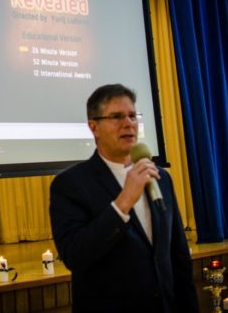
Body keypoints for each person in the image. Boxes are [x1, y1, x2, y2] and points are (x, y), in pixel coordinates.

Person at [50, 83, 199, 313]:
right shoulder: (71, 185)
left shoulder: (161, 178)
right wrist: (123, 203)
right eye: (117, 117)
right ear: (94, 127)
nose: (128, 123)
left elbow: (178, 257)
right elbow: (75, 255)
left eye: (132, 116)